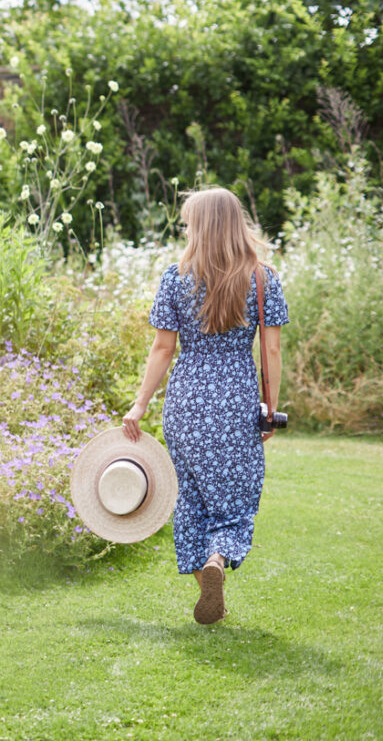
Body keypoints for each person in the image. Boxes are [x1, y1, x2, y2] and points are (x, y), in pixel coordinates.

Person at [122, 187, 289, 624]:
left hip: (185, 399)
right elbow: (270, 353)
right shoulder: (262, 277)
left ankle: (209, 584)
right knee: (235, 497)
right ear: (235, 223)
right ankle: (219, 557)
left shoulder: (175, 277)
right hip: (235, 397)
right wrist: (269, 408)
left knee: (190, 497)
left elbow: (162, 349)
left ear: (200, 227)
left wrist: (139, 406)